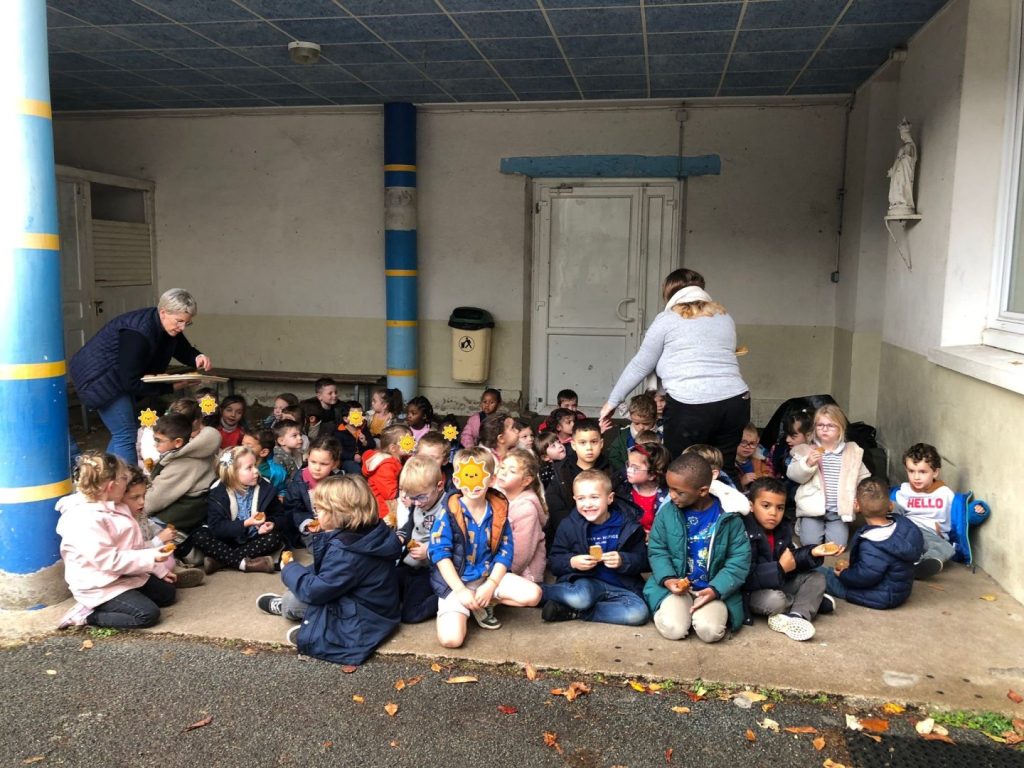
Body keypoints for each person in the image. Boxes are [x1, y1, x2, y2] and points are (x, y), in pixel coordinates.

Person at [599, 269, 749, 474]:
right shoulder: (724, 317)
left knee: (680, 470)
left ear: (669, 293)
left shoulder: (667, 319)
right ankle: (728, 495)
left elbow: (641, 364)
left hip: (691, 405)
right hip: (736, 401)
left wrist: (612, 401)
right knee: (723, 468)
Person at [257, 475, 402, 663]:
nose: (316, 514)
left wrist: (289, 569)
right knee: (300, 582)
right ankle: (310, 619)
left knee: (293, 599)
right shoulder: (370, 530)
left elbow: (315, 591)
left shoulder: (346, 551)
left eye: (319, 509)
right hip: (377, 605)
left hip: (362, 616)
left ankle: (302, 620)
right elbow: (330, 572)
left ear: (339, 513)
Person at [68, 288, 213, 464]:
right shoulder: (138, 333)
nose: (182, 327)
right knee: (126, 434)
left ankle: (106, 473)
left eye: (187, 323)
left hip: (118, 378)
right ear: (163, 312)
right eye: (179, 321)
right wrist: (171, 386)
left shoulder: (165, 324)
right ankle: (126, 478)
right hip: (98, 379)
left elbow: (181, 348)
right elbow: (130, 382)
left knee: (123, 433)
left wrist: (197, 357)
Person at [428, 447, 542, 648]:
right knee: (451, 640)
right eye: (467, 476)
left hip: (487, 578)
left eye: (480, 477)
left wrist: (490, 585)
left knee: (533, 595)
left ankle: (485, 603)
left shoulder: (498, 511)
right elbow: (440, 555)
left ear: (491, 480)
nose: (473, 484)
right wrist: (461, 591)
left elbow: (505, 552)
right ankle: (468, 608)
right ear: (457, 481)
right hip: (456, 583)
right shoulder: (448, 513)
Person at [55, 452, 175, 629]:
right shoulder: (84, 519)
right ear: (111, 486)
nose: (128, 481)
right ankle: (86, 616)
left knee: (167, 594)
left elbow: (134, 548)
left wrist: (158, 568)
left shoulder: (115, 506)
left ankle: (128, 598)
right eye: (124, 478)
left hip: (122, 575)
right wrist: (151, 557)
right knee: (147, 615)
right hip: (100, 586)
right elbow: (109, 561)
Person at [644, 453, 751, 644]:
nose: (672, 496)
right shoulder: (667, 513)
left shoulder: (729, 516)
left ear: (702, 491)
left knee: (710, 632)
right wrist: (668, 579)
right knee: (673, 629)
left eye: (679, 492)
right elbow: (657, 550)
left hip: (713, 588)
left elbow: (739, 560)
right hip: (676, 588)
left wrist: (716, 589)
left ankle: (698, 613)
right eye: (670, 489)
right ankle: (679, 612)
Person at [542, 470, 649, 626]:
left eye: (594, 497)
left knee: (638, 613)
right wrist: (572, 562)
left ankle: (576, 612)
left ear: (609, 498)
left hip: (621, 586)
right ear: (574, 499)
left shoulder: (628, 525)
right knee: (580, 598)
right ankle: (541, 593)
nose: (587, 504)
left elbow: (644, 560)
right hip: (586, 583)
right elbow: (555, 561)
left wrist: (623, 560)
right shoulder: (569, 526)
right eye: (581, 498)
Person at [743, 477, 836, 642]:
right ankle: (807, 601)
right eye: (766, 506)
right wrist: (780, 568)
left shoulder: (782, 528)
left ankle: (797, 616)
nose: (773, 513)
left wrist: (812, 552)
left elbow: (791, 559)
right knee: (776, 600)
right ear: (751, 506)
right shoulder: (743, 531)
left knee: (816, 577)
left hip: (779, 581)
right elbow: (745, 576)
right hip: (751, 591)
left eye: (780, 507)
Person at [822, 477, 924, 610]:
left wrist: (844, 574)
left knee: (823, 574)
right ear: (890, 505)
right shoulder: (906, 525)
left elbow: (863, 577)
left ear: (857, 506)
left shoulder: (873, 543)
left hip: (878, 596)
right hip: (900, 590)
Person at [191, 446, 287, 574]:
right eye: (249, 468)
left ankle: (221, 561)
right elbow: (217, 527)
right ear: (233, 473)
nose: (256, 471)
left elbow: (281, 516)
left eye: (255, 465)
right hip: (226, 540)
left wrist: (271, 523)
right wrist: (246, 523)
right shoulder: (218, 492)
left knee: (274, 538)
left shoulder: (265, 487)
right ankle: (247, 565)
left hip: (253, 539)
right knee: (199, 536)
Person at [787, 404, 870, 548]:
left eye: (830, 425)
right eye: (820, 425)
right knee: (810, 545)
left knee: (837, 546)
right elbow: (793, 475)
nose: (824, 429)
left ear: (840, 429)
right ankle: (803, 522)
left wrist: (858, 498)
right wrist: (807, 463)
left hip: (837, 511)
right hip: (812, 510)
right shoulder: (806, 450)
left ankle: (833, 527)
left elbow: (863, 478)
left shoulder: (851, 452)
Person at [123, 466, 204, 589]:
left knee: (169, 550)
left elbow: (149, 524)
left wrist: (161, 533)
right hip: (141, 560)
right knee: (163, 562)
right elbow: (135, 552)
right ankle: (171, 575)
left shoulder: (139, 511)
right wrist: (159, 540)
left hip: (153, 551)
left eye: (144, 496)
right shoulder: (123, 522)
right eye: (135, 497)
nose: (142, 501)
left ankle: (174, 570)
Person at [143, 412, 220, 533]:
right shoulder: (198, 451)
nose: (155, 444)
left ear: (178, 442)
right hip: (190, 514)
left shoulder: (181, 465)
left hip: (174, 522)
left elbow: (151, 503)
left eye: (159, 440)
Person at [893, 443, 960, 579]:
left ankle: (925, 564)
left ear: (935, 472)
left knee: (945, 547)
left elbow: (960, 512)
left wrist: (978, 511)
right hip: (906, 528)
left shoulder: (944, 493)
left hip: (930, 534)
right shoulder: (903, 490)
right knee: (890, 507)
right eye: (911, 471)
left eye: (922, 472)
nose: (916, 477)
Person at [394, 456, 446, 623]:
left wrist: (429, 550)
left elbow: (455, 541)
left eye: (420, 497)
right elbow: (410, 524)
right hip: (410, 564)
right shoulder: (418, 503)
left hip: (431, 571)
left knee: (411, 614)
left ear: (439, 486)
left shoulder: (448, 508)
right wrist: (400, 536)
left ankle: (449, 596)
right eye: (411, 497)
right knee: (381, 585)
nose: (416, 503)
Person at [545, 419, 611, 542]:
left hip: (604, 534)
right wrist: (573, 534)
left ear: (601, 443)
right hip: (569, 536)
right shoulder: (561, 472)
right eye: (582, 443)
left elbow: (616, 507)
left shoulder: (611, 471)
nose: (589, 448)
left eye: (594, 442)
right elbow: (556, 510)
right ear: (573, 445)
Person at [495, 449, 548, 583]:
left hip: (523, 575)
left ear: (526, 481)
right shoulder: (498, 498)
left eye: (512, 471)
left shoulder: (526, 509)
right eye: (503, 467)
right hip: (499, 569)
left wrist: (494, 576)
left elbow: (520, 557)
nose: (503, 472)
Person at [285, 436, 342, 547]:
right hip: (311, 528)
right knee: (317, 544)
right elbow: (292, 509)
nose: (317, 468)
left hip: (333, 524)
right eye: (313, 462)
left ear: (334, 464)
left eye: (323, 464)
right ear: (308, 458)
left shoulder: (338, 482)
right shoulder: (298, 482)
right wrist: (307, 522)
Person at [614, 442, 671, 533]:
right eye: (628, 464)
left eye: (635, 468)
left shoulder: (668, 498)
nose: (628, 470)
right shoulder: (621, 489)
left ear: (652, 474)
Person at [362, 423, 415, 521]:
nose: (413, 444)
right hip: (384, 511)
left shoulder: (401, 458)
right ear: (393, 448)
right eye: (408, 443)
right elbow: (390, 494)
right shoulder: (386, 466)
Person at [607, 393, 658, 475]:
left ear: (655, 419)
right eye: (636, 423)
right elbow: (613, 456)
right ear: (631, 418)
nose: (641, 427)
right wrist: (625, 471)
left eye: (646, 423)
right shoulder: (624, 435)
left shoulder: (662, 437)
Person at [242, 429, 287, 499]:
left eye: (248, 447)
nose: (242, 449)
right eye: (242, 445)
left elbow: (282, 490)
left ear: (263, 452)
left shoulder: (276, 473)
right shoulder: (235, 466)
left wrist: (281, 497)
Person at [335, 402, 369, 475]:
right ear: (346, 419)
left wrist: (365, 442)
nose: (361, 418)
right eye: (356, 416)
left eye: (361, 415)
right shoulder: (339, 432)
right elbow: (339, 451)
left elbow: (372, 444)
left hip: (363, 457)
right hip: (347, 460)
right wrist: (353, 456)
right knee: (355, 468)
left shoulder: (363, 429)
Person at [735, 423, 768, 490]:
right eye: (743, 442)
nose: (748, 447)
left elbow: (770, 482)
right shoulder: (728, 465)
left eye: (752, 443)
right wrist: (741, 483)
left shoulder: (760, 462)